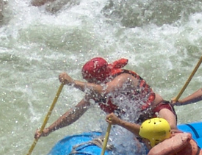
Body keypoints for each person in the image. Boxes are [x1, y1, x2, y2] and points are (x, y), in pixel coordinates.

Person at [35, 57, 177, 139]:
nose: (90, 84)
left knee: (170, 129)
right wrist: (48, 130)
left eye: (92, 80)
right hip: (135, 124)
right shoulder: (95, 91)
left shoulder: (124, 79)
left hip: (157, 111)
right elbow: (76, 112)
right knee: (135, 147)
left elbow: (105, 90)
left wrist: (73, 83)